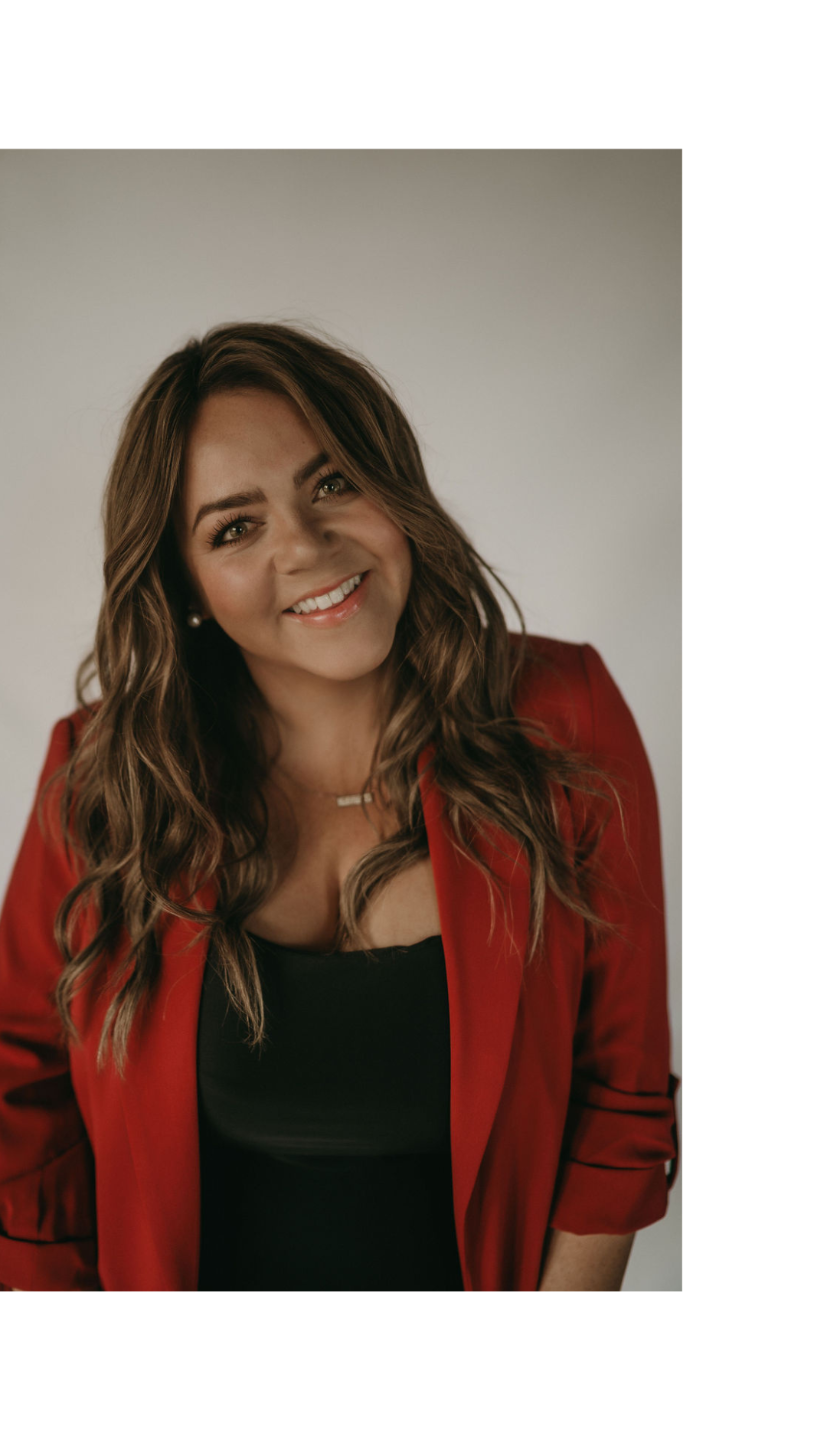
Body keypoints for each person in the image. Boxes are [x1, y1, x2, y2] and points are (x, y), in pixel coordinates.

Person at [0, 321, 679, 1293]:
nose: (305, 546)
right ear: (186, 584)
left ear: (394, 489)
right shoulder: (105, 773)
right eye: (234, 528)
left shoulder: (562, 720)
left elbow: (618, 1100)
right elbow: (20, 1095)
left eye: (331, 483)